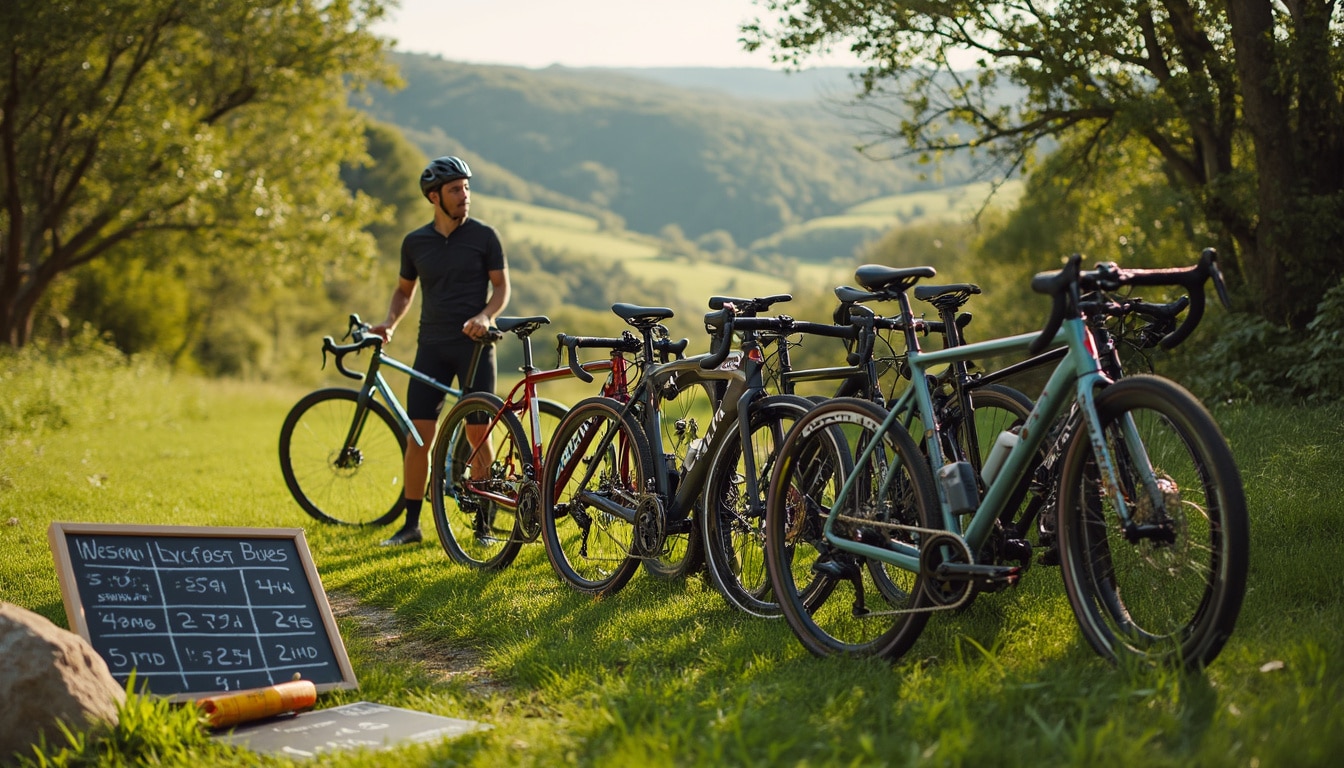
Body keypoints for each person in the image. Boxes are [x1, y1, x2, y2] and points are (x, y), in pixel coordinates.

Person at [371, 156, 509, 546]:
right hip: (431, 345)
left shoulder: (485, 236)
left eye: (466, 187)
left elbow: (501, 288)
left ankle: (483, 526)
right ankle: (411, 526)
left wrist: (485, 315)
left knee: (479, 433)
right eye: (455, 189)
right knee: (419, 437)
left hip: (476, 347)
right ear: (435, 196)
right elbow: (403, 291)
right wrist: (389, 323)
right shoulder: (415, 242)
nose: (464, 195)